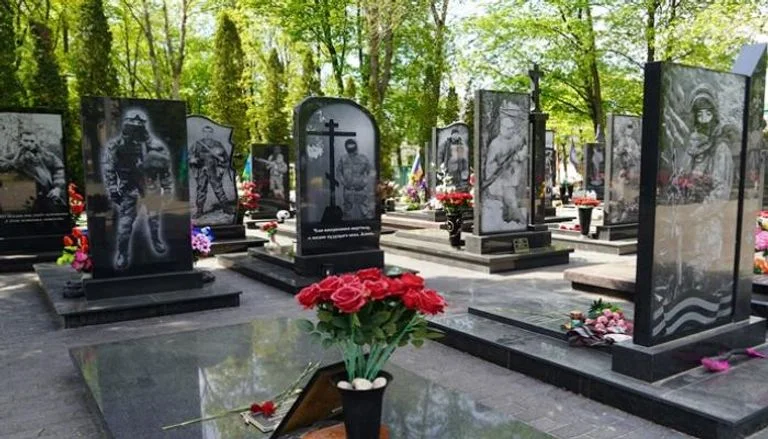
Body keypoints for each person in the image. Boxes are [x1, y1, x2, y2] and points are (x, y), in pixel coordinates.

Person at [102, 110, 174, 270]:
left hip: (151, 187)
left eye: (139, 125)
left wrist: (168, 188)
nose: (135, 127)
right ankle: (122, 253)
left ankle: (156, 240)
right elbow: (109, 168)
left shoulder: (156, 146)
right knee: (125, 225)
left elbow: (165, 169)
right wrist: (112, 188)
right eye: (132, 124)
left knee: (154, 220)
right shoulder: (116, 145)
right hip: (129, 188)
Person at [483, 104, 528, 228]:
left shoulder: (517, 139)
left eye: (512, 129)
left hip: (514, 174)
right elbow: (490, 164)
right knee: (509, 200)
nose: (511, 131)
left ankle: (511, 218)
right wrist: (499, 168)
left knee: (512, 199)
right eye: (509, 129)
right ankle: (519, 220)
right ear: (502, 128)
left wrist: (517, 157)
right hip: (501, 178)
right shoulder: (495, 144)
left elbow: (524, 149)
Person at [0, 130, 66, 211]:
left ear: (36, 142)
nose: (29, 144)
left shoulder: (47, 156)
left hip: (48, 195)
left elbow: (59, 169)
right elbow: (2, 166)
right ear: (20, 141)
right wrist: (16, 159)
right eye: (26, 140)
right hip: (24, 198)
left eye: (32, 141)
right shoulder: (12, 156)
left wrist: (57, 188)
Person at [189, 125, 232, 218]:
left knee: (218, 188)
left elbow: (225, 158)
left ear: (212, 133)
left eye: (209, 132)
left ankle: (226, 208)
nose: (207, 134)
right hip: (201, 168)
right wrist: (192, 160)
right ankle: (199, 210)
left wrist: (221, 167)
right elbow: (190, 155)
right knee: (201, 190)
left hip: (213, 169)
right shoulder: (197, 144)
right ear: (203, 133)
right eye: (205, 132)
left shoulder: (217, 144)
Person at [336, 138, 373, 220]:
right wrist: (343, 182)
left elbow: (370, 171)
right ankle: (347, 226)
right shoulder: (343, 159)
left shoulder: (363, 158)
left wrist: (365, 181)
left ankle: (367, 225)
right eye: (349, 146)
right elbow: (338, 171)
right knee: (347, 211)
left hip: (361, 189)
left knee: (366, 212)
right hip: (348, 189)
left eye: (352, 145)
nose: (351, 148)